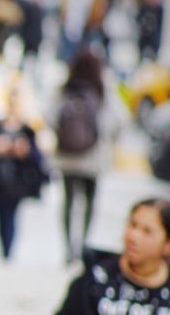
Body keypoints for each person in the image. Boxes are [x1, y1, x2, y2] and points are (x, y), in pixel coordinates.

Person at [53, 49, 124, 264]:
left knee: (68, 201)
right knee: (89, 201)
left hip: (67, 156)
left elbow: (50, 114)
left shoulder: (66, 87)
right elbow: (118, 119)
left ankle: (69, 248)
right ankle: (83, 243)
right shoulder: (102, 89)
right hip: (92, 156)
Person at [0, 87, 48, 260]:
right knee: (0, 214)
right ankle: (4, 247)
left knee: (12, 214)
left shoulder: (27, 128)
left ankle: (8, 249)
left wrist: (23, 150)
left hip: (17, 180)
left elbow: (37, 157)